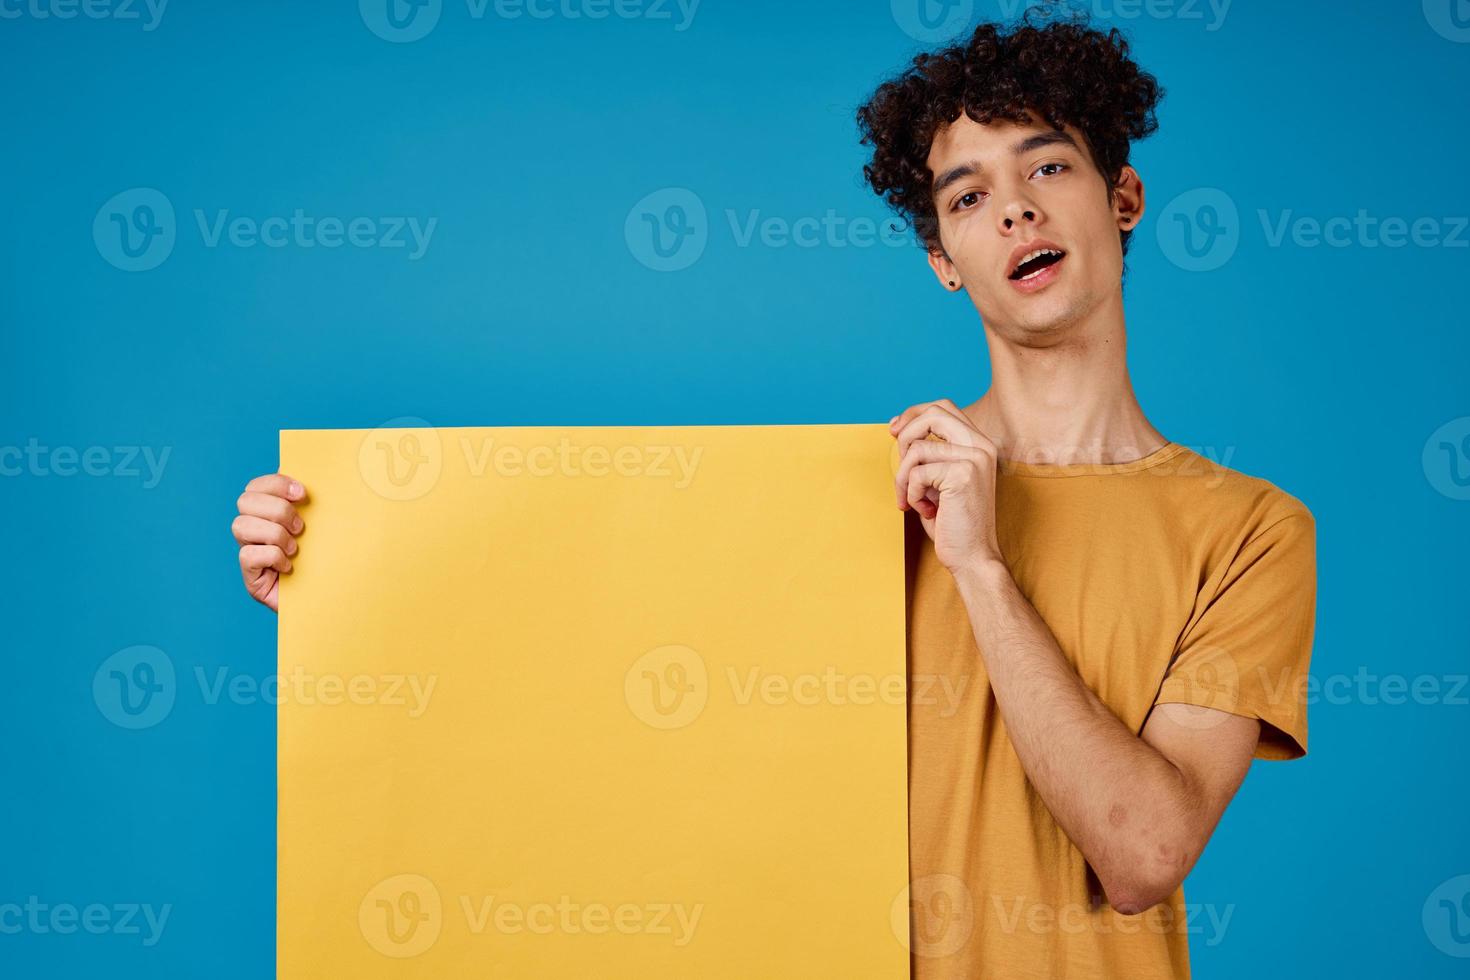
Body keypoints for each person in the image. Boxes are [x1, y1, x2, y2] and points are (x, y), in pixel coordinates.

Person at [231, 9, 1316, 977]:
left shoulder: (1248, 530)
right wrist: (347, 597)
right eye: (970, 195)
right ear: (942, 256)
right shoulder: (852, 498)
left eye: (1048, 170)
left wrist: (980, 564)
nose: (1016, 214)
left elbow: (1143, 851)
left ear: (1122, 195)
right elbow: (610, 695)